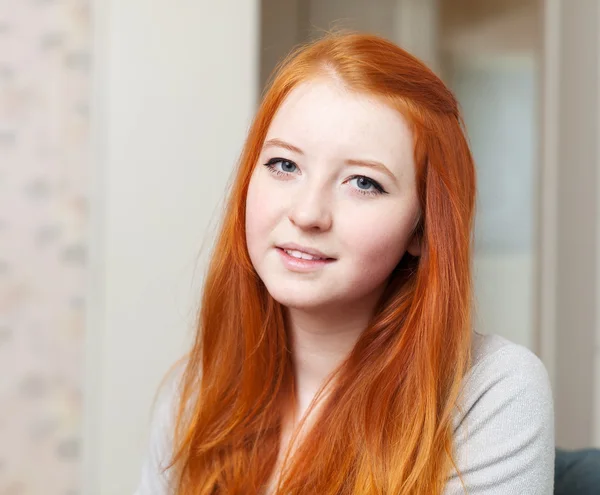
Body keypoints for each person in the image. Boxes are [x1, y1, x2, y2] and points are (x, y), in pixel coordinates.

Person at [134, 31, 554, 494]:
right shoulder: (193, 397)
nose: (308, 213)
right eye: (284, 165)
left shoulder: (493, 391)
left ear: (421, 228)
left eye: (363, 183)